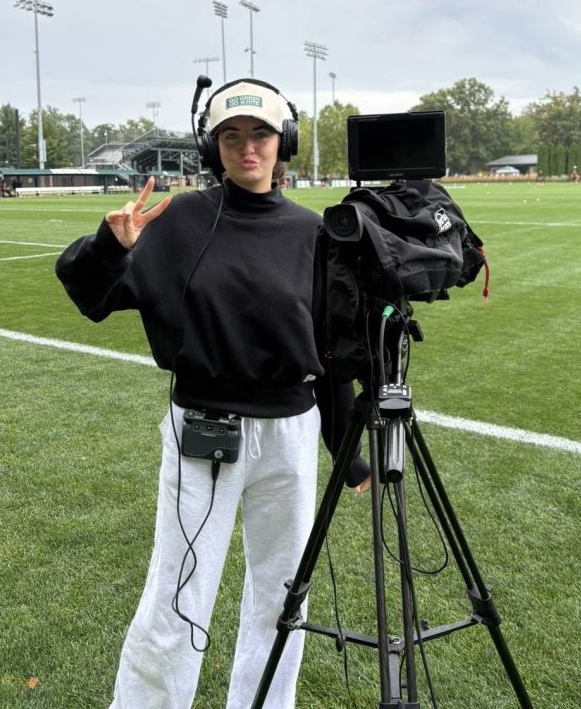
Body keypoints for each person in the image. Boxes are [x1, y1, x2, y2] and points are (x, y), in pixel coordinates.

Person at [55, 77, 370, 709]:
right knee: (179, 589)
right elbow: (90, 295)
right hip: (203, 431)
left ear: (285, 144)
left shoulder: (313, 233)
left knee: (284, 593)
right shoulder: (176, 222)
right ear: (212, 146)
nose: (247, 148)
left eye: (260, 134)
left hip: (290, 434)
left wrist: (346, 447)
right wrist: (109, 248)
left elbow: (330, 353)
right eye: (231, 136)